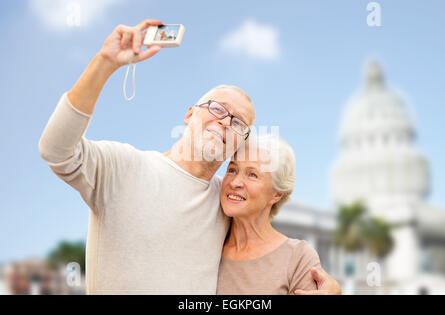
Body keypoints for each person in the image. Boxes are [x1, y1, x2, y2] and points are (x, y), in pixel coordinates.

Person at [38, 19, 341, 295]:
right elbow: (56, 149)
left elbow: (267, 251)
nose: (225, 122)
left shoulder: (226, 203)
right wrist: (104, 64)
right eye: (218, 108)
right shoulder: (123, 166)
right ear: (189, 114)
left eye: (238, 123)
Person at [217, 135, 322, 294]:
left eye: (252, 174)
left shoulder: (298, 258)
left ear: (276, 194)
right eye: (232, 170)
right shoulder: (209, 244)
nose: (234, 182)